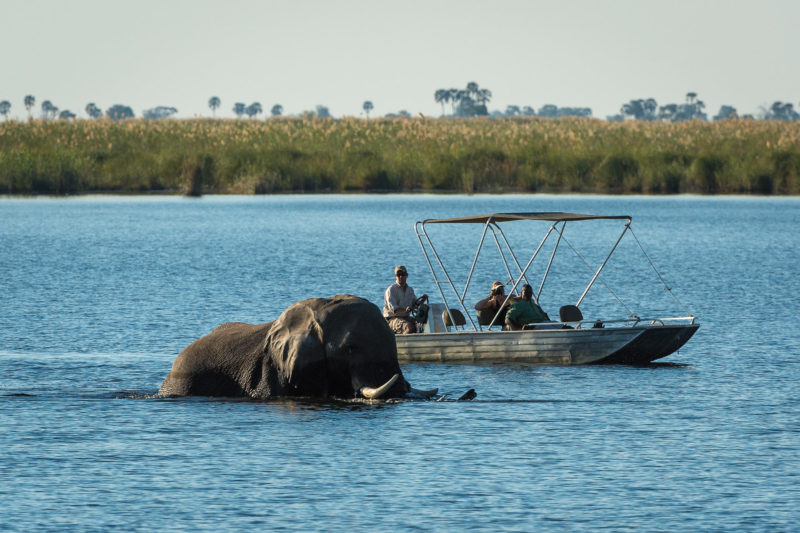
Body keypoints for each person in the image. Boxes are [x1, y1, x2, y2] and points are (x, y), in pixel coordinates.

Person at [383, 265, 427, 334]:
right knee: (410, 327)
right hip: (392, 319)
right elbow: (394, 310)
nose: (401, 277)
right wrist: (405, 310)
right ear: (395, 276)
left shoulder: (410, 290)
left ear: (406, 276)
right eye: (398, 275)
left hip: (406, 317)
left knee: (422, 325)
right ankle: (401, 343)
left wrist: (423, 300)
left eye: (403, 274)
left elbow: (415, 305)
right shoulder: (391, 290)